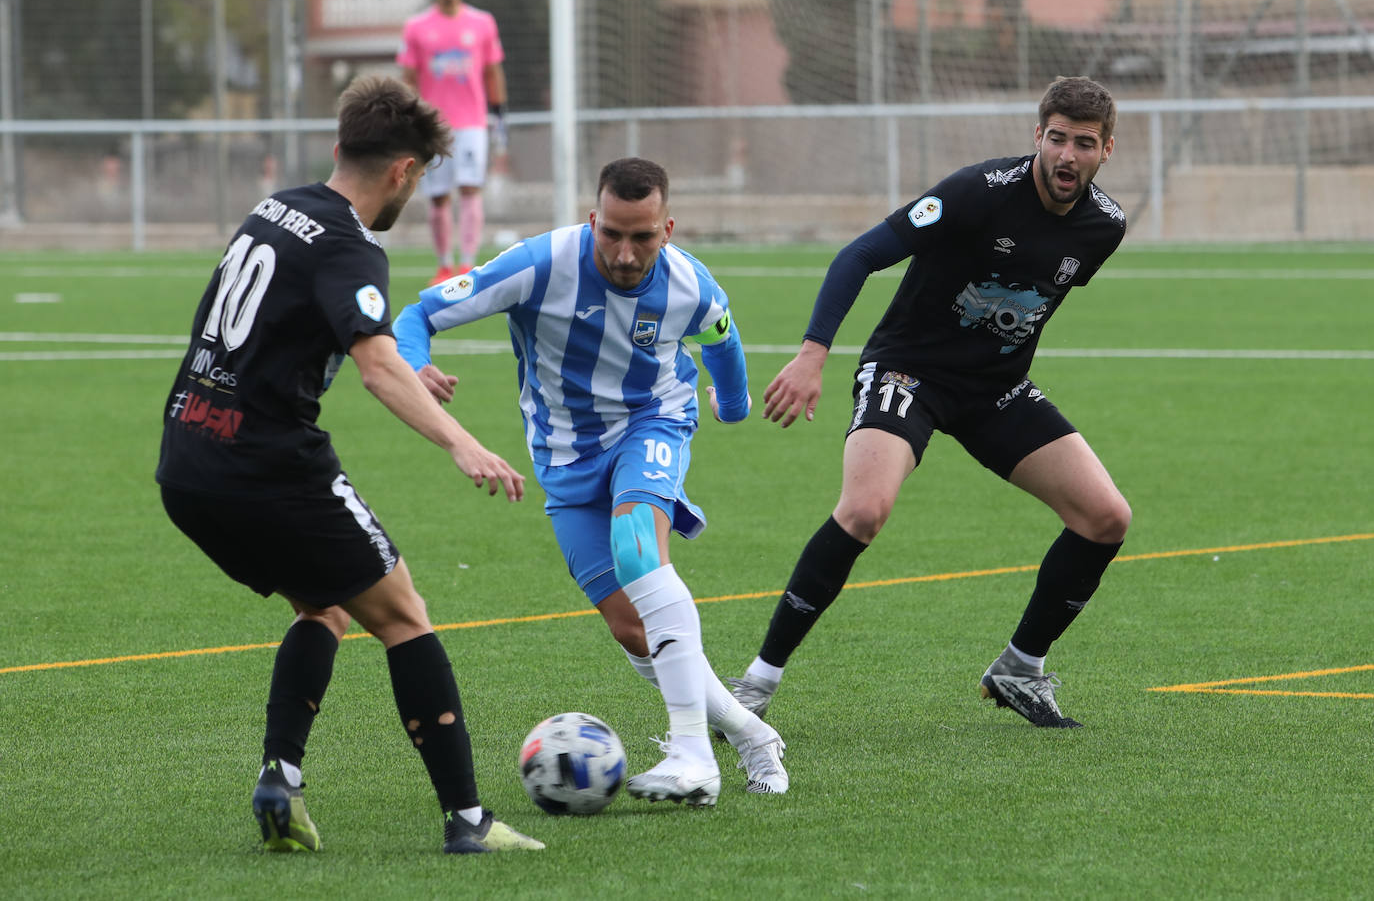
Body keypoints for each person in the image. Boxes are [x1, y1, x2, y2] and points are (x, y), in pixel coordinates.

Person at [155, 75, 543, 855]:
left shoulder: (275, 207)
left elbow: (292, 327)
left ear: (340, 149)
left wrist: (400, 364)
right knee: (403, 616)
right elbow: (371, 365)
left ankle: (281, 780)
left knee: (325, 607)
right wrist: (461, 440)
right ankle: (467, 821)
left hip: (186, 462)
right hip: (267, 467)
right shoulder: (351, 244)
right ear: (405, 172)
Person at [729, 76, 1130, 730]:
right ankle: (754, 684)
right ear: (1038, 136)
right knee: (863, 510)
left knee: (1107, 517)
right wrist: (812, 352)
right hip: (909, 372)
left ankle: (1020, 669)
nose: (1066, 156)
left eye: (1083, 144)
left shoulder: (1103, 228)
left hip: (995, 389)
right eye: (1056, 139)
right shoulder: (977, 191)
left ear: (1105, 150)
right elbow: (860, 254)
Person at [393, 157, 788, 806]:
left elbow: (722, 338)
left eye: (644, 237)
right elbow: (418, 315)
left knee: (639, 551)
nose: (627, 253)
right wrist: (415, 362)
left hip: (651, 424)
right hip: (566, 457)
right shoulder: (537, 266)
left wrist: (734, 402)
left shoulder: (689, 281)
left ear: (667, 227)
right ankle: (748, 734)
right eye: (613, 234)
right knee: (632, 629)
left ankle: (694, 755)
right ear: (592, 220)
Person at [398, 0, 508, 284]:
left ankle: (468, 264)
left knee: (471, 189)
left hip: (472, 124)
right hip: (434, 126)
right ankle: (444, 265)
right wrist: (411, 120)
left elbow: (492, 71)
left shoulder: (483, 23)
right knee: (438, 197)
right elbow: (408, 78)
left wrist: (498, 113)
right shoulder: (416, 26)